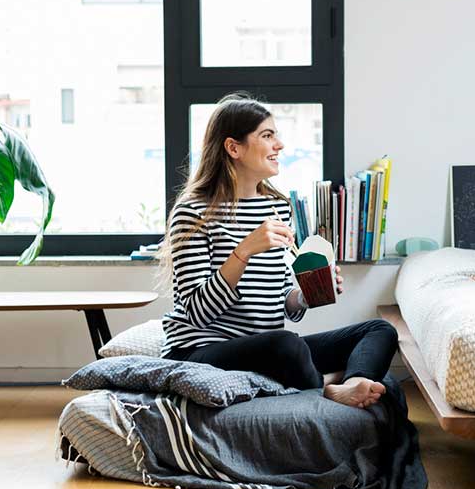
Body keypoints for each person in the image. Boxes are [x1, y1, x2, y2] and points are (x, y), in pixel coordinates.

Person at [160, 93, 398, 408]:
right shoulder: (193, 213)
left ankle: (352, 380)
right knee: (286, 345)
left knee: (380, 329)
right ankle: (325, 386)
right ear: (234, 148)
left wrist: (307, 294)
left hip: (265, 347)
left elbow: (281, 294)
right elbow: (196, 311)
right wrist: (243, 251)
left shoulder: (277, 207)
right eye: (267, 136)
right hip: (201, 349)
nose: (280, 145)